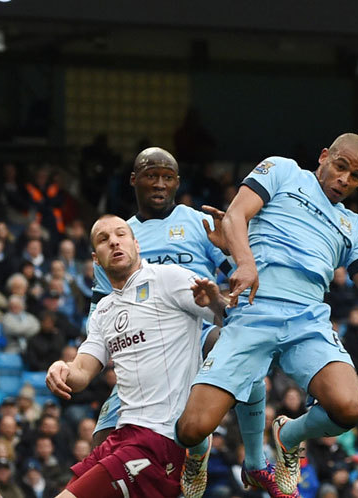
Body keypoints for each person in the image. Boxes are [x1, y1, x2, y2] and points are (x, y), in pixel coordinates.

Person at [174, 133, 358, 496]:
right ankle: (198, 453)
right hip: (255, 309)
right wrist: (246, 263)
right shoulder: (283, 171)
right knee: (191, 429)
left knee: (349, 408)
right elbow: (236, 214)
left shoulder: (353, 226)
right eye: (341, 167)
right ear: (324, 156)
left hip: (308, 321)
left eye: (356, 176)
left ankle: (288, 435)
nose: (345, 180)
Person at [87, 147, 275, 497]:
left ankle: (253, 459)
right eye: (151, 175)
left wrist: (233, 254)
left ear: (177, 182)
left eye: (167, 177)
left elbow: (240, 279)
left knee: (240, 347)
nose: (159, 183)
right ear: (133, 180)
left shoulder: (198, 222)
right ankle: (195, 452)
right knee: (101, 443)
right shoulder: (117, 236)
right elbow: (100, 307)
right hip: (142, 348)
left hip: (198, 331)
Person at [45, 215, 228, 498]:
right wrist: (62, 368)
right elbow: (81, 371)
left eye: (121, 234)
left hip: (159, 439)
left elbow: (228, 315)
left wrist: (216, 302)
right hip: (123, 434)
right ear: (96, 259)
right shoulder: (104, 310)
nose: (114, 241)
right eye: (104, 240)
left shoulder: (168, 278)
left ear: (136, 244)